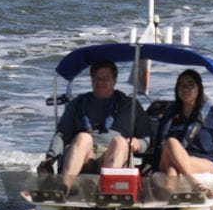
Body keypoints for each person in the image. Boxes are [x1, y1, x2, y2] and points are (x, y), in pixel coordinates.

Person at [37, 59, 152, 192]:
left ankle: (107, 193)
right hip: (83, 154)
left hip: (113, 155)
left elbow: (147, 139)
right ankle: (63, 189)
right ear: (91, 80)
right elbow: (62, 133)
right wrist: (50, 158)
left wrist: (138, 144)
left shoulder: (130, 106)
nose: (100, 82)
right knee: (83, 137)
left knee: (120, 142)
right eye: (96, 78)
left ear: (115, 80)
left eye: (106, 78)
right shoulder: (78, 103)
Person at [151, 69, 213, 197]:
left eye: (191, 85)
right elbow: (159, 145)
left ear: (199, 88)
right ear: (177, 89)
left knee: (173, 169)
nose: (186, 89)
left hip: (203, 161)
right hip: (169, 157)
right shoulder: (169, 114)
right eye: (182, 85)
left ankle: (169, 198)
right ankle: (193, 184)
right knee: (171, 142)